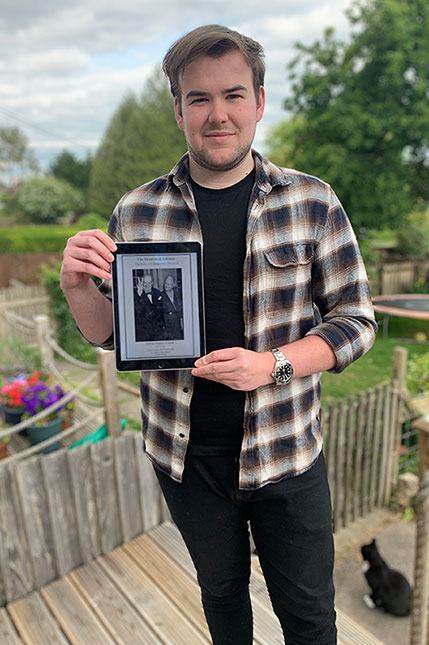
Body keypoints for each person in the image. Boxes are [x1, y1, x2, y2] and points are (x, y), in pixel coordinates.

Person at [60, 24, 377, 645]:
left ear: (259, 101)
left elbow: (357, 322)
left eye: (233, 95)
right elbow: (113, 336)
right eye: (198, 99)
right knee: (222, 600)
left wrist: (273, 365)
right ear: (178, 110)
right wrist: (78, 290)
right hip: (185, 458)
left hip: (286, 454)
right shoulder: (137, 211)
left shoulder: (313, 202)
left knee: (310, 618)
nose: (218, 114)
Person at [133, 273, 165, 341]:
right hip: (143, 332)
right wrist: (140, 293)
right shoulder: (135, 295)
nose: (147, 285)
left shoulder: (157, 292)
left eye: (149, 283)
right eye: (144, 283)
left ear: (152, 283)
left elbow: (161, 311)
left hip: (157, 331)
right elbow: (138, 311)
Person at [161, 274, 183, 340]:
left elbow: (180, 308)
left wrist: (181, 319)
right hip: (167, 322)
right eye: (165, 283)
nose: (166, 285)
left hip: (177, 321)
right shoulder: (161, 295)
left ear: (173, 285)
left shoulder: (178, 293)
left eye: (169, 284)